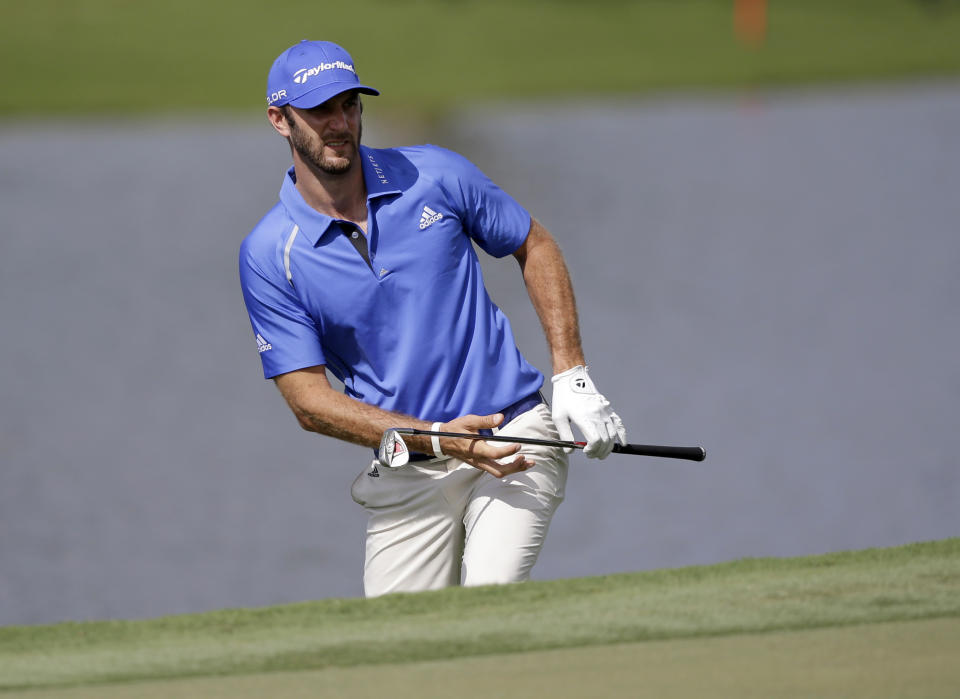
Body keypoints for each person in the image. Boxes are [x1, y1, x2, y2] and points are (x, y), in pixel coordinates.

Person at [239, 40, 626, 597]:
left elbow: (535, 245)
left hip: (514, 435)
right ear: (280, 120)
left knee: (486, 605)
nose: (339, 123)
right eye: (320, 110)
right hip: (411, 464)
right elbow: (307, 400)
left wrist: (572, 375)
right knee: (401, 653)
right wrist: (437, 438)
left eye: (349, 104)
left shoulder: (435, 174)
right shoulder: (270, 252)